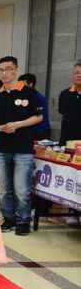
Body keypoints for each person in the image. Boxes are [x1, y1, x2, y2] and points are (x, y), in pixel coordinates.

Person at [0, 56, 43, 236]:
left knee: (22, 189)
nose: (5, 73)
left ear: (16, 70)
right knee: (4, 189)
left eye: (9, 69)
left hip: (23, 148)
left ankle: (23, 220)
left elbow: (38, 117)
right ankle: (8, 218)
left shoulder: (29, 92)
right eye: (1, 70)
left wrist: (18, 124)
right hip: (1, 148)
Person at [58, 60, 81, 226]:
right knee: (71, 178)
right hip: (68, 143)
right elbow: (63, 115)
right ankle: (73, 212)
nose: (79, 76)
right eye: (76, 73)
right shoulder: (65, 94)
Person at [18, 73, 51, 141]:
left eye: (23, 84)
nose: (20, 87)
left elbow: (37, 115)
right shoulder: (25, 96)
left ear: (31, 84)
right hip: (31, 129)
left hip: (41, 130)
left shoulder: (37, 97)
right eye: (19, 84)